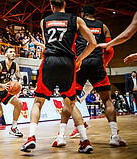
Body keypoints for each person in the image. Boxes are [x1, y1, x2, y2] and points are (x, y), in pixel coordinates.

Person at [21, 0, 97, 153]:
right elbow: (93, 42)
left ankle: (31, 137)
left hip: (49, 61)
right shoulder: (76, 20)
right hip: (68, 62)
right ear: (64, 4)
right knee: (70, 103)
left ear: (51, 6)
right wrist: (79, 59)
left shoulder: (44, 21)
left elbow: (48, 43)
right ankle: (84, 140)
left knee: (38, 102)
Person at [60, 4, 127, 147]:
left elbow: (71, 44)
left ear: (83, 14)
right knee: (107, 100)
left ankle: (61, 136)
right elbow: (110, 50)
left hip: (80, 63)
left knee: (69, 100)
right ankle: (114, 136)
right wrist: (105, 62)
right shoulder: (103, 27)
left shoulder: (78, 24)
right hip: (97, 63)